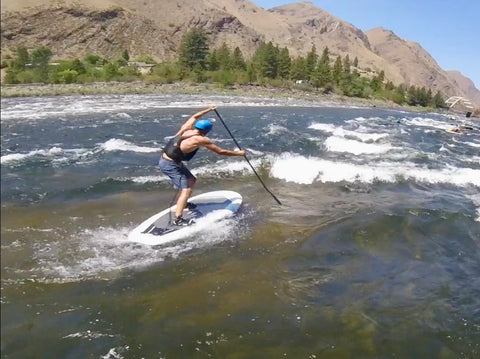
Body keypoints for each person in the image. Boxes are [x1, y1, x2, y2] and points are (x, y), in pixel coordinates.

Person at [159, 105, 245, 225]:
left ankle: (184, 203)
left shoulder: (186, 129)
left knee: (191, 179)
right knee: (186, 189)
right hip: (170, 164)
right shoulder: (201, 140)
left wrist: (209, 109)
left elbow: (195, 116)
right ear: (206, 131)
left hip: (167, 160)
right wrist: (239, 154)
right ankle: (178, 219)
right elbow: (220, 152)